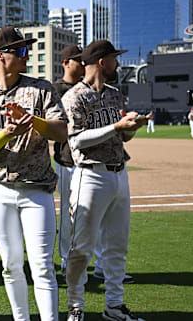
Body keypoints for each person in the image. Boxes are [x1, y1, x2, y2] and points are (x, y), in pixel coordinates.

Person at [0, 26, 67, 321]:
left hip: (37, 189)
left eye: (26, 49)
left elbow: (61, 132)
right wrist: (7, 133)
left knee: (43, 265)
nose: (27, 55)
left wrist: (33, 121)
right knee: (10, 265)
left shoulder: (40, 88)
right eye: (20, 50)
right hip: (0, 189)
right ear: (0, 57)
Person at [61, 40, 150, 321]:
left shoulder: (114, 94)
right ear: (101, 62)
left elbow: (123, 137)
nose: (118, 63)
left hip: (119, 174)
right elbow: (75, 140)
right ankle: (76, 306)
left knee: (116, 247)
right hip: (90, 176)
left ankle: (114, 305)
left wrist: (131, 127)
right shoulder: (74, 96)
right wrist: (115, 126)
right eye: (113, 58)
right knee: (81, 249)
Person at [53, 44, 84, 276]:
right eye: (77, 60)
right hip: (65, 159)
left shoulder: (88, 87)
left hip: (89, 159)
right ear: (66, 63)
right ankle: (65, 257)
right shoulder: (56, 89)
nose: (82, 64)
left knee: (92, 212)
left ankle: (99, 261)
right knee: (67, 211)